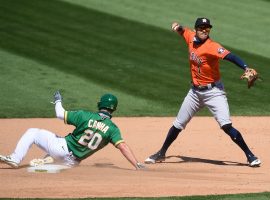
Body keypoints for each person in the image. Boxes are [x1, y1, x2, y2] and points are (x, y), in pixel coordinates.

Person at [144, 17, 261, 167]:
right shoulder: (190, 37)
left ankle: (250, 156)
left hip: (214, 92)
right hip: (194, 93)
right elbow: (183, 32)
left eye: (207, 28)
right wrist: (177, 27)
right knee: (178, 124)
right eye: (201, 28)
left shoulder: (212, 46)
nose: (204, 31)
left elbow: (231, 56)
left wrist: (245, 67)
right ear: (196, 29)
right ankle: (161, 153)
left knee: (226, 125)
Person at [0, 91, 145, 170]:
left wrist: (57, 100)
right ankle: (47, 162)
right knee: (55, 146)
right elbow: (123, 146)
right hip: (72, 163)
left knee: (33, 132)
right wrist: (137, 165)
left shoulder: (85, 115)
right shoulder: (113, 129)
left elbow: (59, 114)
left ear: (100, 104)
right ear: (114, 109)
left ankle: (15, 159)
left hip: (61, 148)